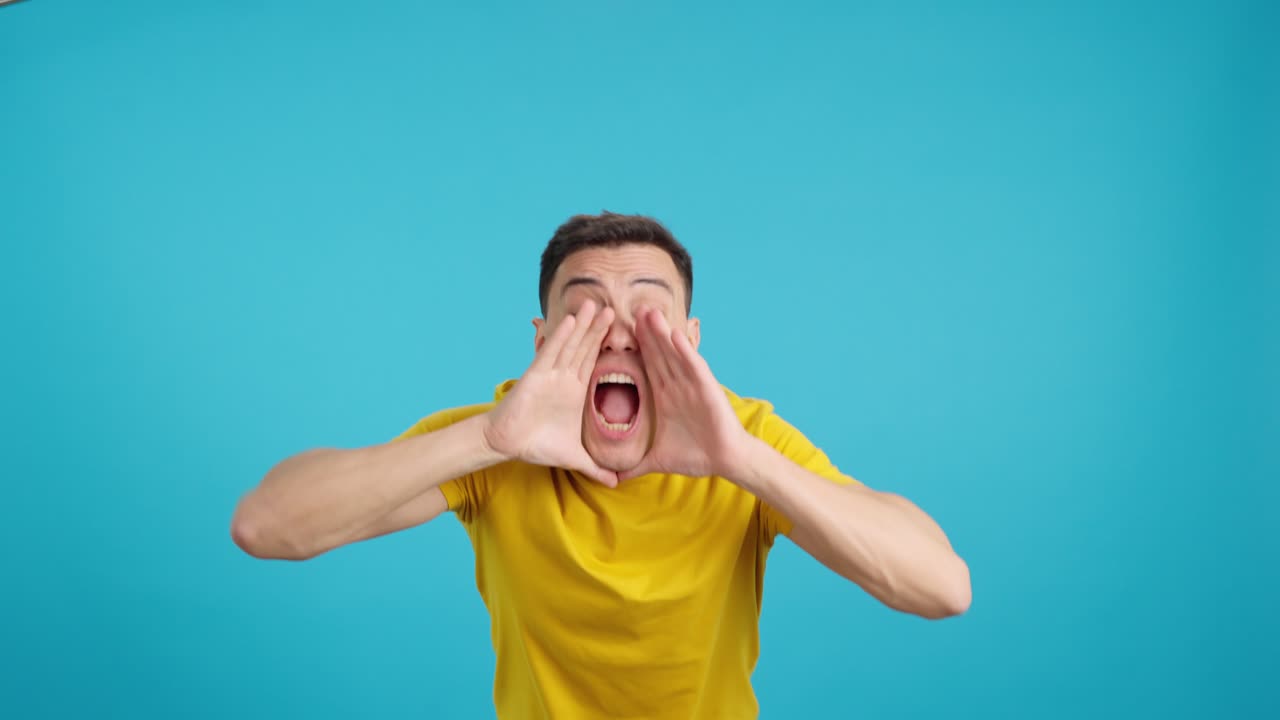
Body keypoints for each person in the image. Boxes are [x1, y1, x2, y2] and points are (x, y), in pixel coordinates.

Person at [230, 212, 971, 719]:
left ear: (691, 339)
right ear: (542, 338)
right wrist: (487, 440)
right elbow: (267, 524)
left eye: (648, 313)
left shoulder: (742, 439)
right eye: (584, 312)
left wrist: (741, 461)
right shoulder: (501, 439)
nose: (617, 335)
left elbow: (943, 587)